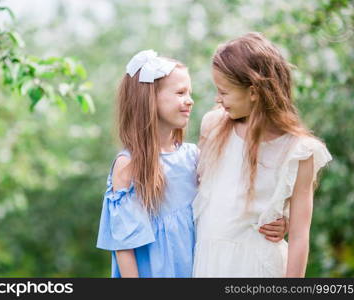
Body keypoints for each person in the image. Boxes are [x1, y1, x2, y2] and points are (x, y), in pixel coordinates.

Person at [97, 49, 286, 278]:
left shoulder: (192, 157)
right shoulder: (128, 166)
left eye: (190, 92)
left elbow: (229, 201)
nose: (190, 101)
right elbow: (124, 247)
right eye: (180, 93)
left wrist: (278, 221)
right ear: (149, 98)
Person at [193, 32, 332, 277]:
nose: (217, 99)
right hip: (209, 264)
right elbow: (201, 194)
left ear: (254, 92)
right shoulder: (213, 127)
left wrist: (284, 218)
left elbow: (300, 237)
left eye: (224, 92)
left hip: (259, 269)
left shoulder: (299, 151)